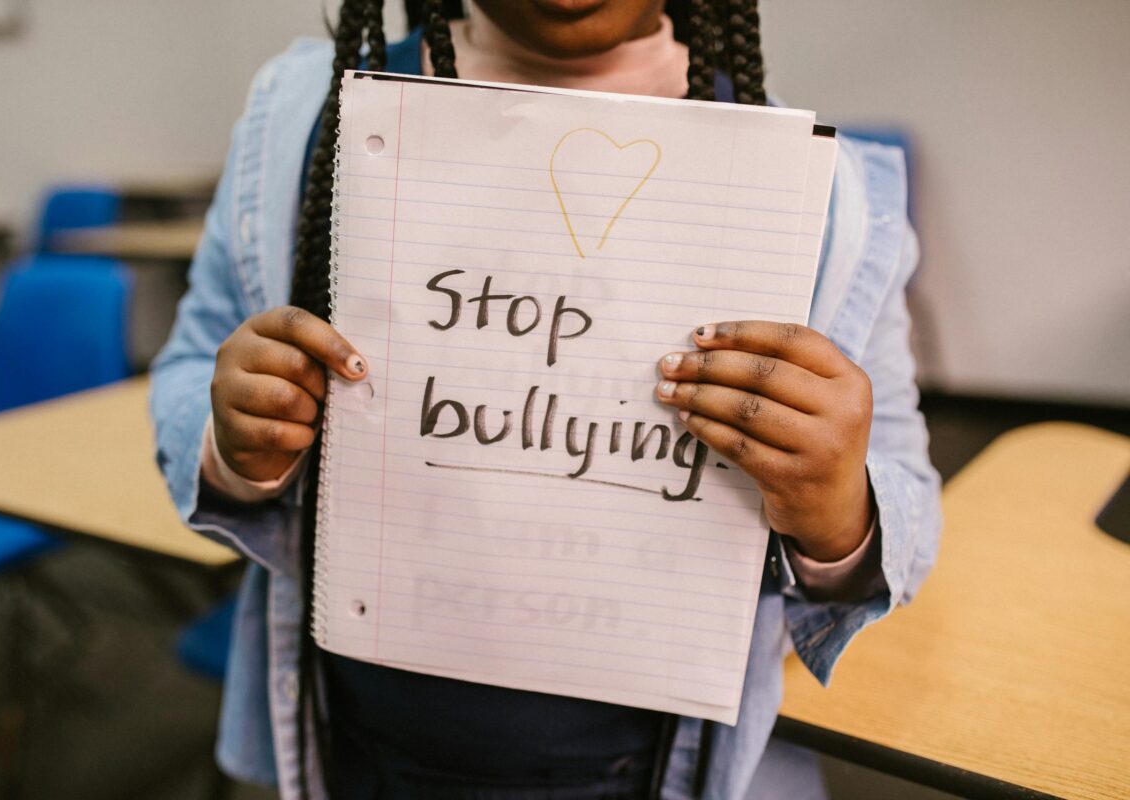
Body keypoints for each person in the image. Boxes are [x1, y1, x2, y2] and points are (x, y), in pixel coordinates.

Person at [149, 1, 941, 798]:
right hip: (357, 736)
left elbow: (905, 490)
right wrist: (234, 444)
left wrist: (840, 512)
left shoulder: (827, 196)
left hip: (652, 765)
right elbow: (191, 365)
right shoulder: (305, 118)